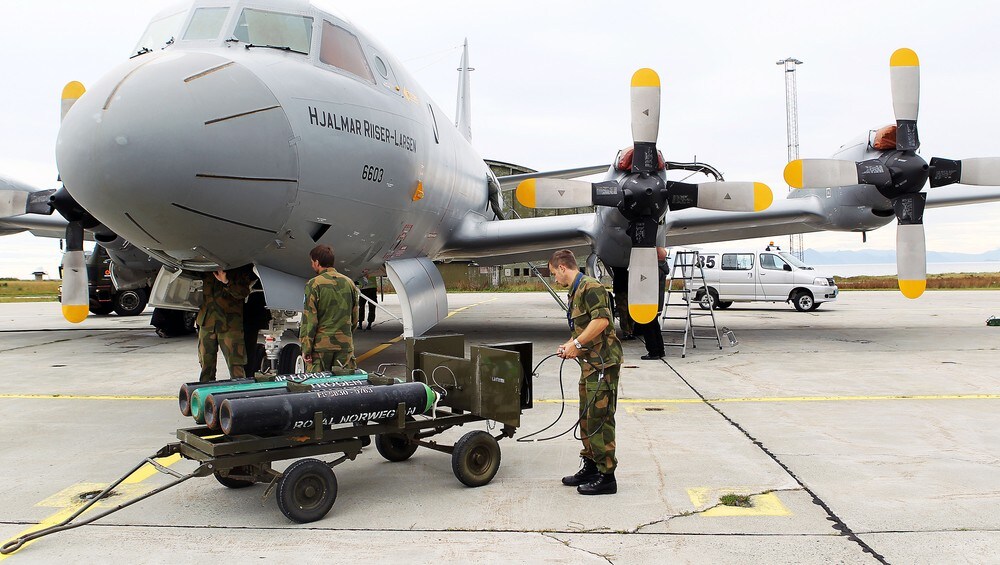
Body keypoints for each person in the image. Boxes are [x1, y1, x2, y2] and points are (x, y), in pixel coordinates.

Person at [549, 249, 623, 495]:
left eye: (553, 274)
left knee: (600, 418)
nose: (554, 280)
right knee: (586, 416)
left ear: (562, 267)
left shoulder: (591, 288)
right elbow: (583, 327)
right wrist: (570, 346)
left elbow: (601, 321)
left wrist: (577, 344)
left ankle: (607, 476)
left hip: (604, 365)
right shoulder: (575, 292)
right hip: (590, 365)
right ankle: (591, 465)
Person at [300, 244, 359, 372]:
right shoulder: (349, 283)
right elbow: (355, 319)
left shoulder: (313, 284)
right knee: (345, 387)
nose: (312, 265)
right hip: (345, 347)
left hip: (321, 347)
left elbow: (310, 321)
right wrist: (345, 338)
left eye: (312, 262)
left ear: (317, 262)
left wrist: (306, 348)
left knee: (318, 388)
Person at [197, 268, 251, 382]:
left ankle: (239, 394)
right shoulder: (207, 270)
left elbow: (243, 292)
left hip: (229, 325)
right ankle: (205, 392)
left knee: (235, 364)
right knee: (206, 363)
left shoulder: (238, 269)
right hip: (207, 323)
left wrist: (226, 281)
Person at [635, 248, 669, 360]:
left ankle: (653, 352)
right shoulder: (662, 268)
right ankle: (660, 350)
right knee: (655, 326)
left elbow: (646, 284)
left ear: (657, 256)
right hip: (656, 302)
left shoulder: (654, 270)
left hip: (649, 302)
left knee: (648, 328)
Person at [611, 266, 635, 340]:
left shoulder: (617, 264)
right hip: (622, 289)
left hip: (623, 289)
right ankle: (627, 332)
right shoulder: (625, 265)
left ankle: (628, 331)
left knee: (626, 313)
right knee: (624, 312)